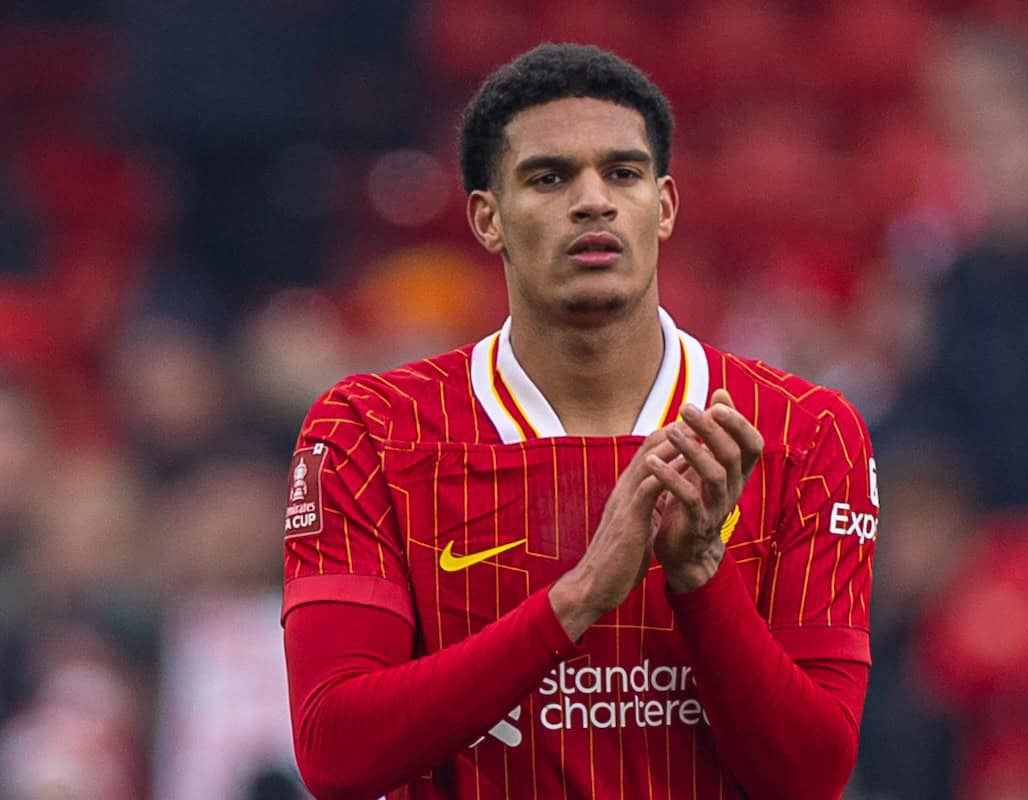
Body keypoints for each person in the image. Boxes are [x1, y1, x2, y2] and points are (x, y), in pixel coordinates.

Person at [282, 44, 876, 800]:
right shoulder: (371, 429)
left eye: (622, 173)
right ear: (486, 219)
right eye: (549, 177)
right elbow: (336, 754)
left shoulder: (804, 432)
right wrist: (582, 594)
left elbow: (810, 776)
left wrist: (700, 575)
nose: (593, 200)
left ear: (663, 207)